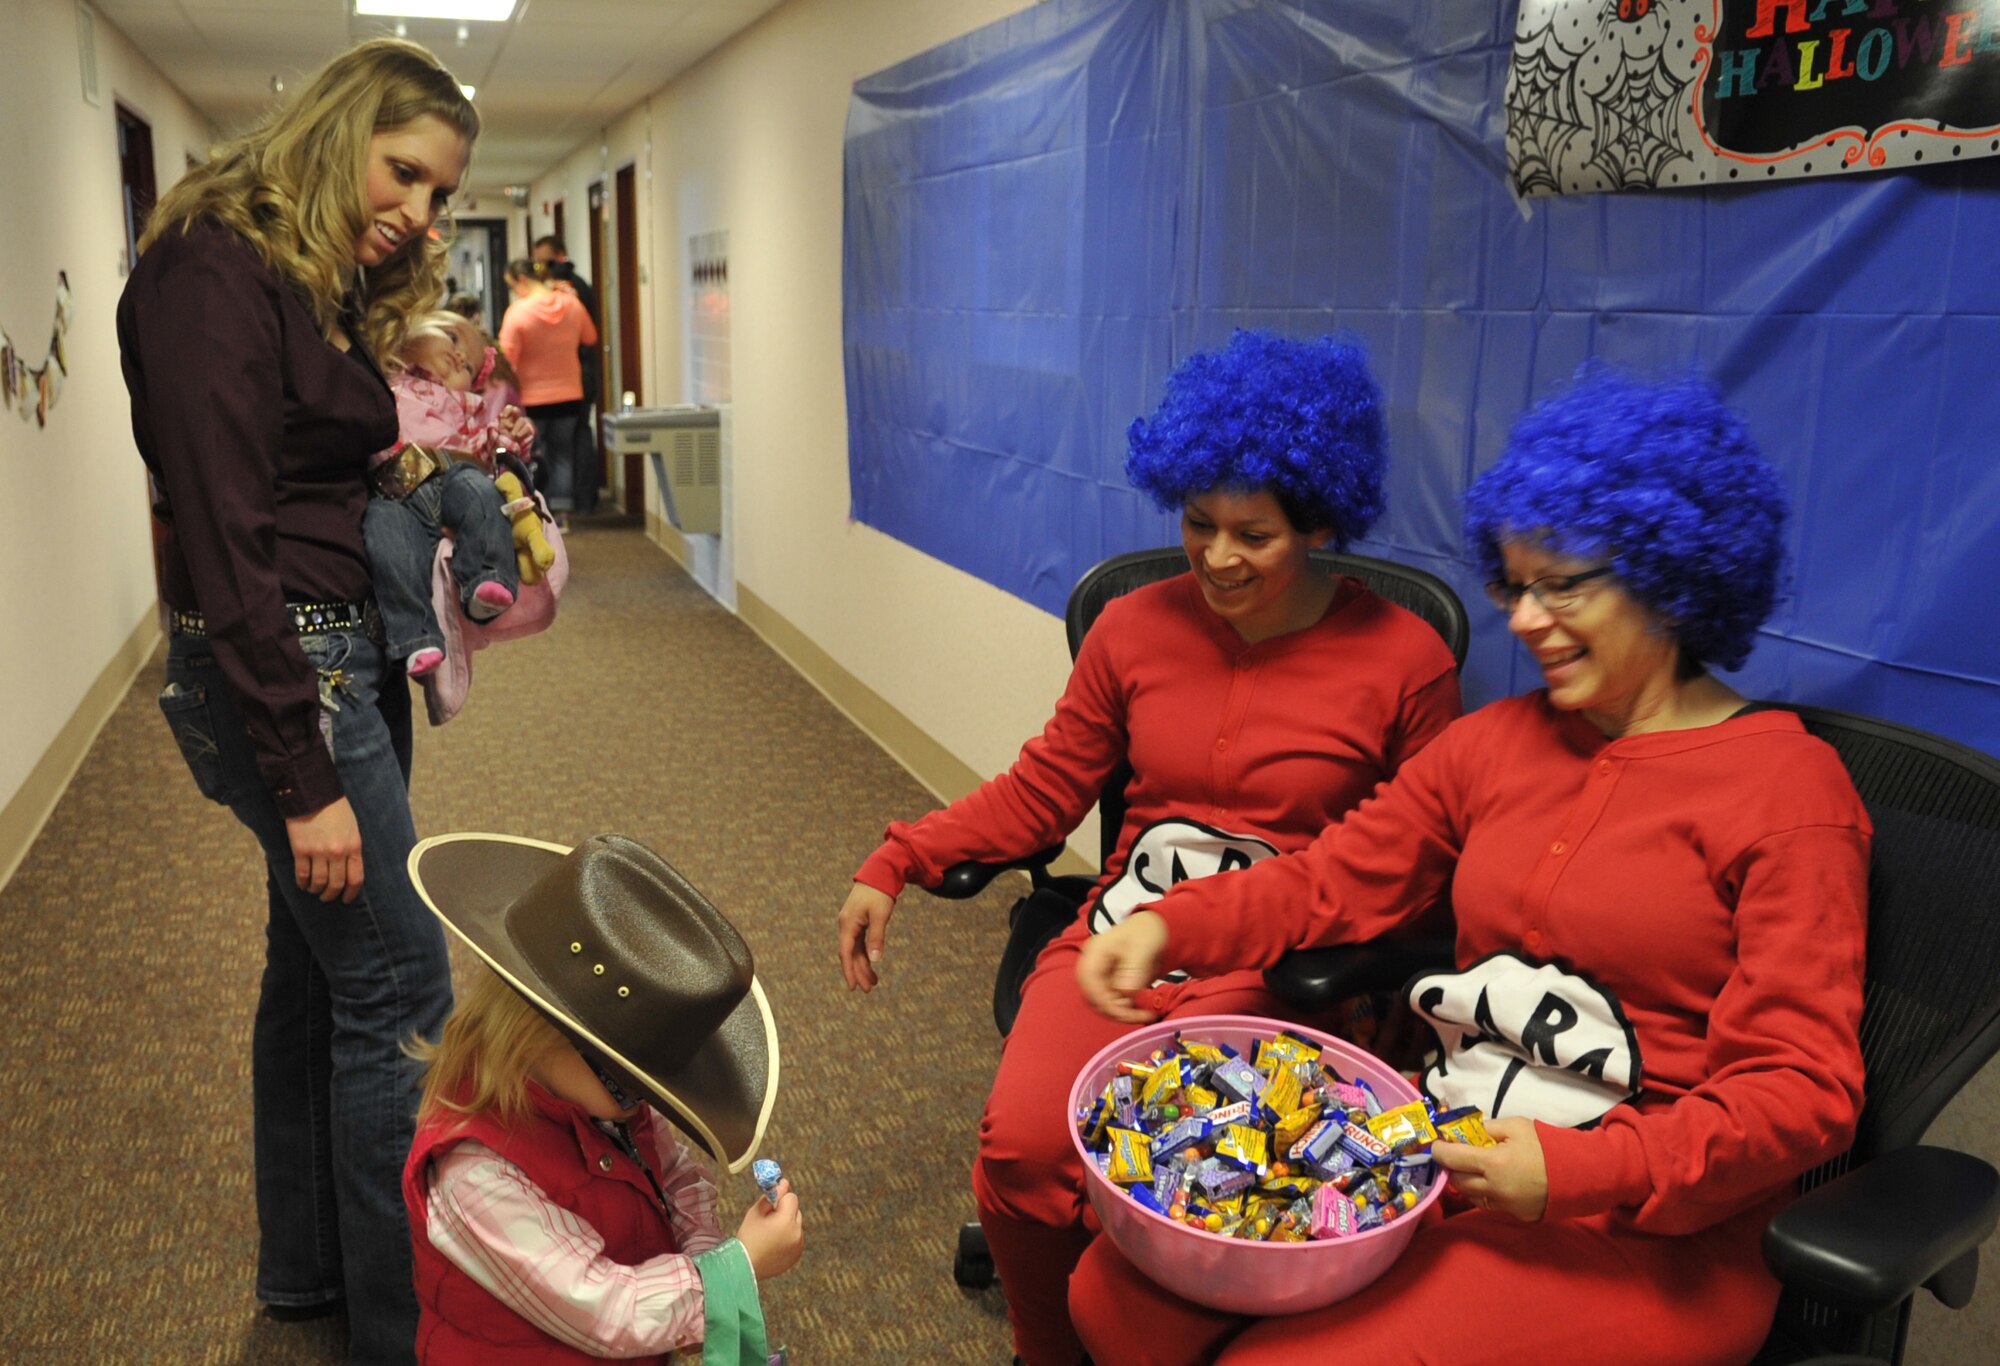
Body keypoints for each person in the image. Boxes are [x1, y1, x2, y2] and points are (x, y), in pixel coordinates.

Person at [1070, 368, 1871, 1365]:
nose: (1526, 621)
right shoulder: (1495, 742)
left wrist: (1582, 1170)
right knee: (1114, 1296)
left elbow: (1801, 1091)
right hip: (1441, 1154)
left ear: (1672, 575)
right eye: (1515, 585)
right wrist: (1167, 927)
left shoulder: (1789, 791)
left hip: (1643, 1230)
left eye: (1565, 585)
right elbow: (1330, 878)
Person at [836, 330, 1463, 1365]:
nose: (1216, 557)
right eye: (1197, 523)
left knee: (1185, 1184)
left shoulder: (1404, 661)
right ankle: (1045, 1346)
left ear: (1315, 522)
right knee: (1019, 1147)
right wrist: (897, 855)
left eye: (1252, 534)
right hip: (1118, 943)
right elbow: (1042, 791)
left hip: (1284, 967)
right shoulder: (1131, 628)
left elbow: (1416, 866)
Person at [118, 37, 475, 1365]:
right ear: (336, 132)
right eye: (404, 173)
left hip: (339, 648)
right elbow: (223, 529)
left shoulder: (309, 280)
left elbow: (299, 470)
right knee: (401, 987)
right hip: (291, 668)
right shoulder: (212, 266)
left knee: (316, 970)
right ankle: (403, 1336)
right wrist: (303, 769)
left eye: (438, 195)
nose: (419, 215)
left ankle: (309, 1269)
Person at [403, 832, 802, 1363]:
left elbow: (676, 1176)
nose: (645, 1103)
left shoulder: (603, 1099)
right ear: (538, 1032)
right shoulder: (474, 1173)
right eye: (627, 1078)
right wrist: (735, 1271)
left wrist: (708, 1261)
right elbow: (609, 1311)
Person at [365, 313, 536, 677]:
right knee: (383, 530)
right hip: (397, 498)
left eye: (469, 367)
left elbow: (491, 455)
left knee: (480, 489)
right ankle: (416, 637)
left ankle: (486, 578)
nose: (460, 358)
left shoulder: (464, 407)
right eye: (452, 338)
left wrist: (508, 438)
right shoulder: (379, 379)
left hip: (453, 481)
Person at [500, 258, 598, 529]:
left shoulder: (518, 312)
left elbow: (507, 359)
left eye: (512, 286)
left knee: (530, 455)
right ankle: (563, 514)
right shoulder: (572, 304)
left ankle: (533, 512)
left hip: (531, 397)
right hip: (569, 394)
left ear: (521, 281)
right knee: (563, 455)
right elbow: (590, 337)